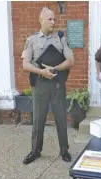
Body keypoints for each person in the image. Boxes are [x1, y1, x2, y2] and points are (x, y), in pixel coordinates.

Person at [21, 7, 75, 164]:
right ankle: (35, 151)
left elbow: (70, 61)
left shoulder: (61, 39)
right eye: (50, 19)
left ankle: (64, 150)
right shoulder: (31, 40)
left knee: (61, 118)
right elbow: (25, 64)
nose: (53, 22)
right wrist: (41, 72)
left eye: (54, 19)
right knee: (38, 119)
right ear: (41, 20)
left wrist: (55, 69)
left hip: (57, 84)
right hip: (40, 84)